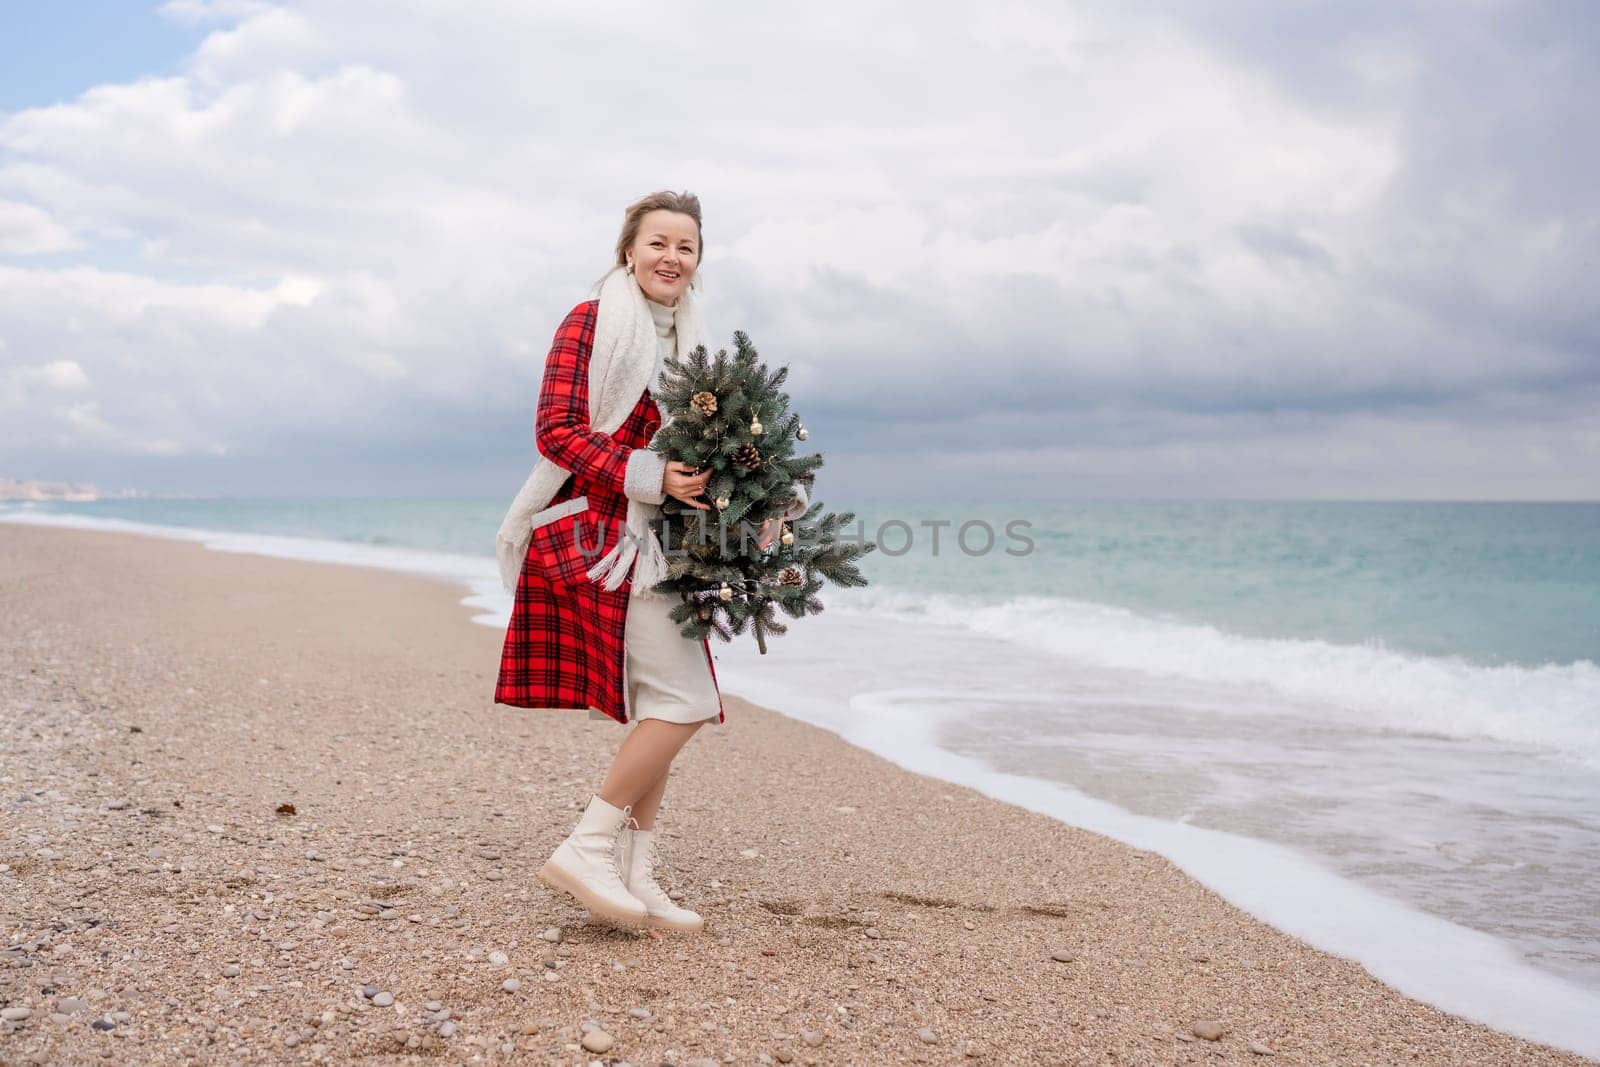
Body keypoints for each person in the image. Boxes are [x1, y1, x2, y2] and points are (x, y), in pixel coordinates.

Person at [493, 190, 807, 934]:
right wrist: (649, 475)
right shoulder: (593, 320)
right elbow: (555, 430)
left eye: (686, 247)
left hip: (669, 551)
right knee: (685, 701)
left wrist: (764, 501)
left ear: (698, 263)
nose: (672, 257)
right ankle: (587, 844)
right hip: (601, 540)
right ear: (629, 250)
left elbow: (724, 448)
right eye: (658, 242)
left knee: (670, 701)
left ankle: (636, 875)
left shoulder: (697, 347)